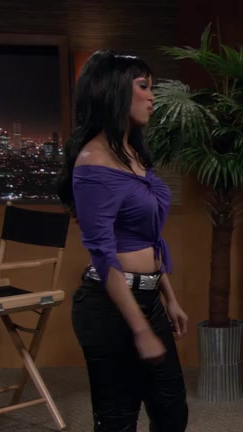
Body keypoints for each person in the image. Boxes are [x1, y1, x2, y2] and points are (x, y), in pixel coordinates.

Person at [56, 50, 189, 431]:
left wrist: (169, 296)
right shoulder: (93, 162)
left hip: (149, 297)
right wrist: (140, 330)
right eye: (143, 86)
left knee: (172, 411)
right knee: (118, 419)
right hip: (109, 307)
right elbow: (103, 253)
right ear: (114, 92)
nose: (152, 97)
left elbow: (149, 238)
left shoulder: (134, 154)